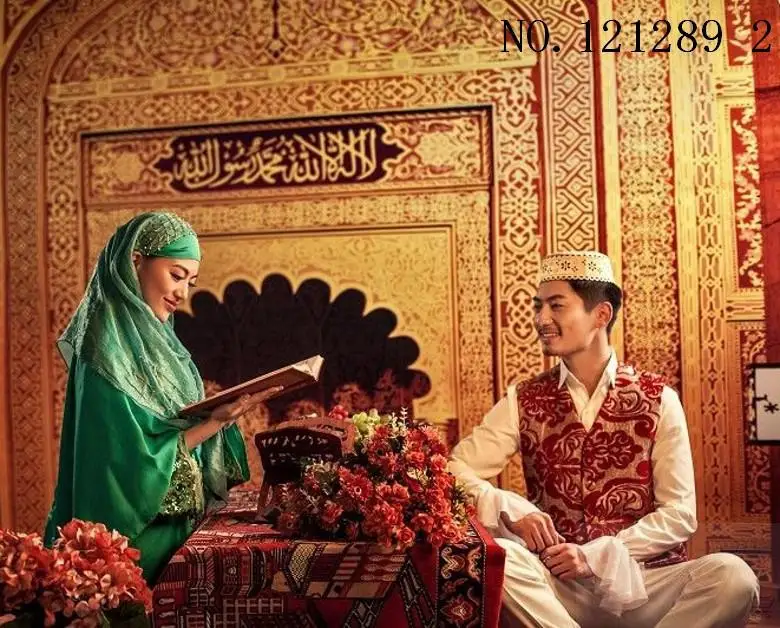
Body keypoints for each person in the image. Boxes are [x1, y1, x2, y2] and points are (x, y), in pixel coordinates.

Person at [449, 251, 759, 627]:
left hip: (644, 585)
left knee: (733, 577)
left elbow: (679, 515)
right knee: (498, 556)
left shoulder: (658, 398)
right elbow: (453, 470)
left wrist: (596, 556)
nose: (541, 319)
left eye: (556, 306)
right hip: (558, 590)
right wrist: (507, 506)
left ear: (601, 314)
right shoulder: (523, 399)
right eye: (538, 306)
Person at [45, 212, 277, 584]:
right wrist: (214, 422)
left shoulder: (162, 345)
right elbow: (129, 469)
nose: (182, 293)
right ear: (135, 261)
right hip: (132, 548)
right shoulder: (104, 351)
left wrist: (219, 418)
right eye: (176, 275)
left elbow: (168, 433)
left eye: (190, 282)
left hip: (177, 532)